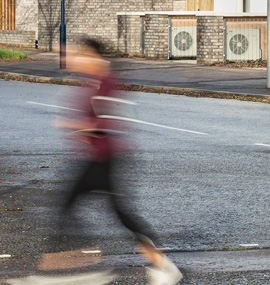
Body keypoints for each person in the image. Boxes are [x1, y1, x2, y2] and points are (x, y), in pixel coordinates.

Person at [9, 37, 181, 285]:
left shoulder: (109, 83)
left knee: (73, 206)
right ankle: (160, 266)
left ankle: (68, 271)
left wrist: (76, 126)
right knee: (112, 213)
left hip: (105, 158)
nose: (79, 60)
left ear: (94, 57)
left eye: (83, 55)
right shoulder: (97, 82)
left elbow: (108, 122)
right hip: (98, 157)